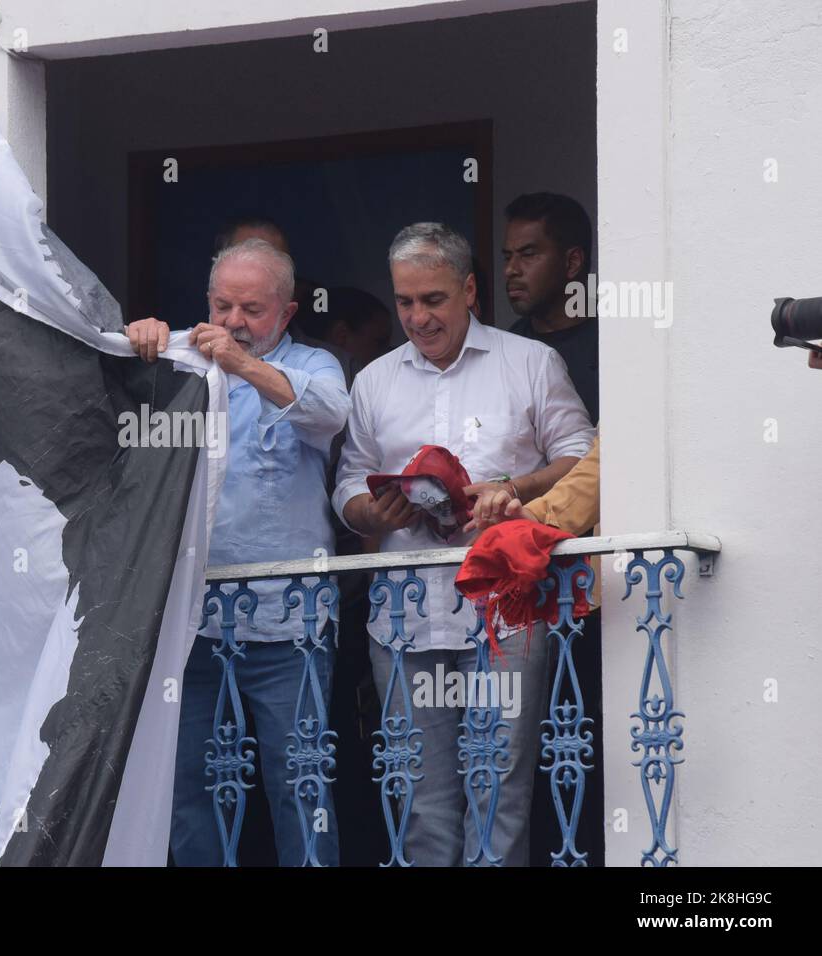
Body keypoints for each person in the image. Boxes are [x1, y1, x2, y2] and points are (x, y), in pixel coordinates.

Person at [332, 222, 595, 866]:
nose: (417, 317)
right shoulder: (373, 381)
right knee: (421, 797)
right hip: (404, 617)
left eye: (434, 300)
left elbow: (582, 456)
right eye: (404, 302)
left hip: (504, 611)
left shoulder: (530, 361)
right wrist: (377, 508)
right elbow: (345, 490)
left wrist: (512, 487)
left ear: (470, 290)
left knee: (500, 786)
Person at [127, 237, 351, 866]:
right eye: (221, 305)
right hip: (191, 624)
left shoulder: (315, 365)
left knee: (298, 785)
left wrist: (241, 364)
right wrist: (136, 340)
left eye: (251, 309)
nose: (232, 323)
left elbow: (333, 415)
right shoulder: (177, 362)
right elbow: (97, 389)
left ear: (286, 311)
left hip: (291, 626)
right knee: (192, 790)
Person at [502, 192, 598, 424]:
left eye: (528, 255)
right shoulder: (507, 349)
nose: (511, 270)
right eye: (507, 257)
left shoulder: (617, 342)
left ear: (572, 262)